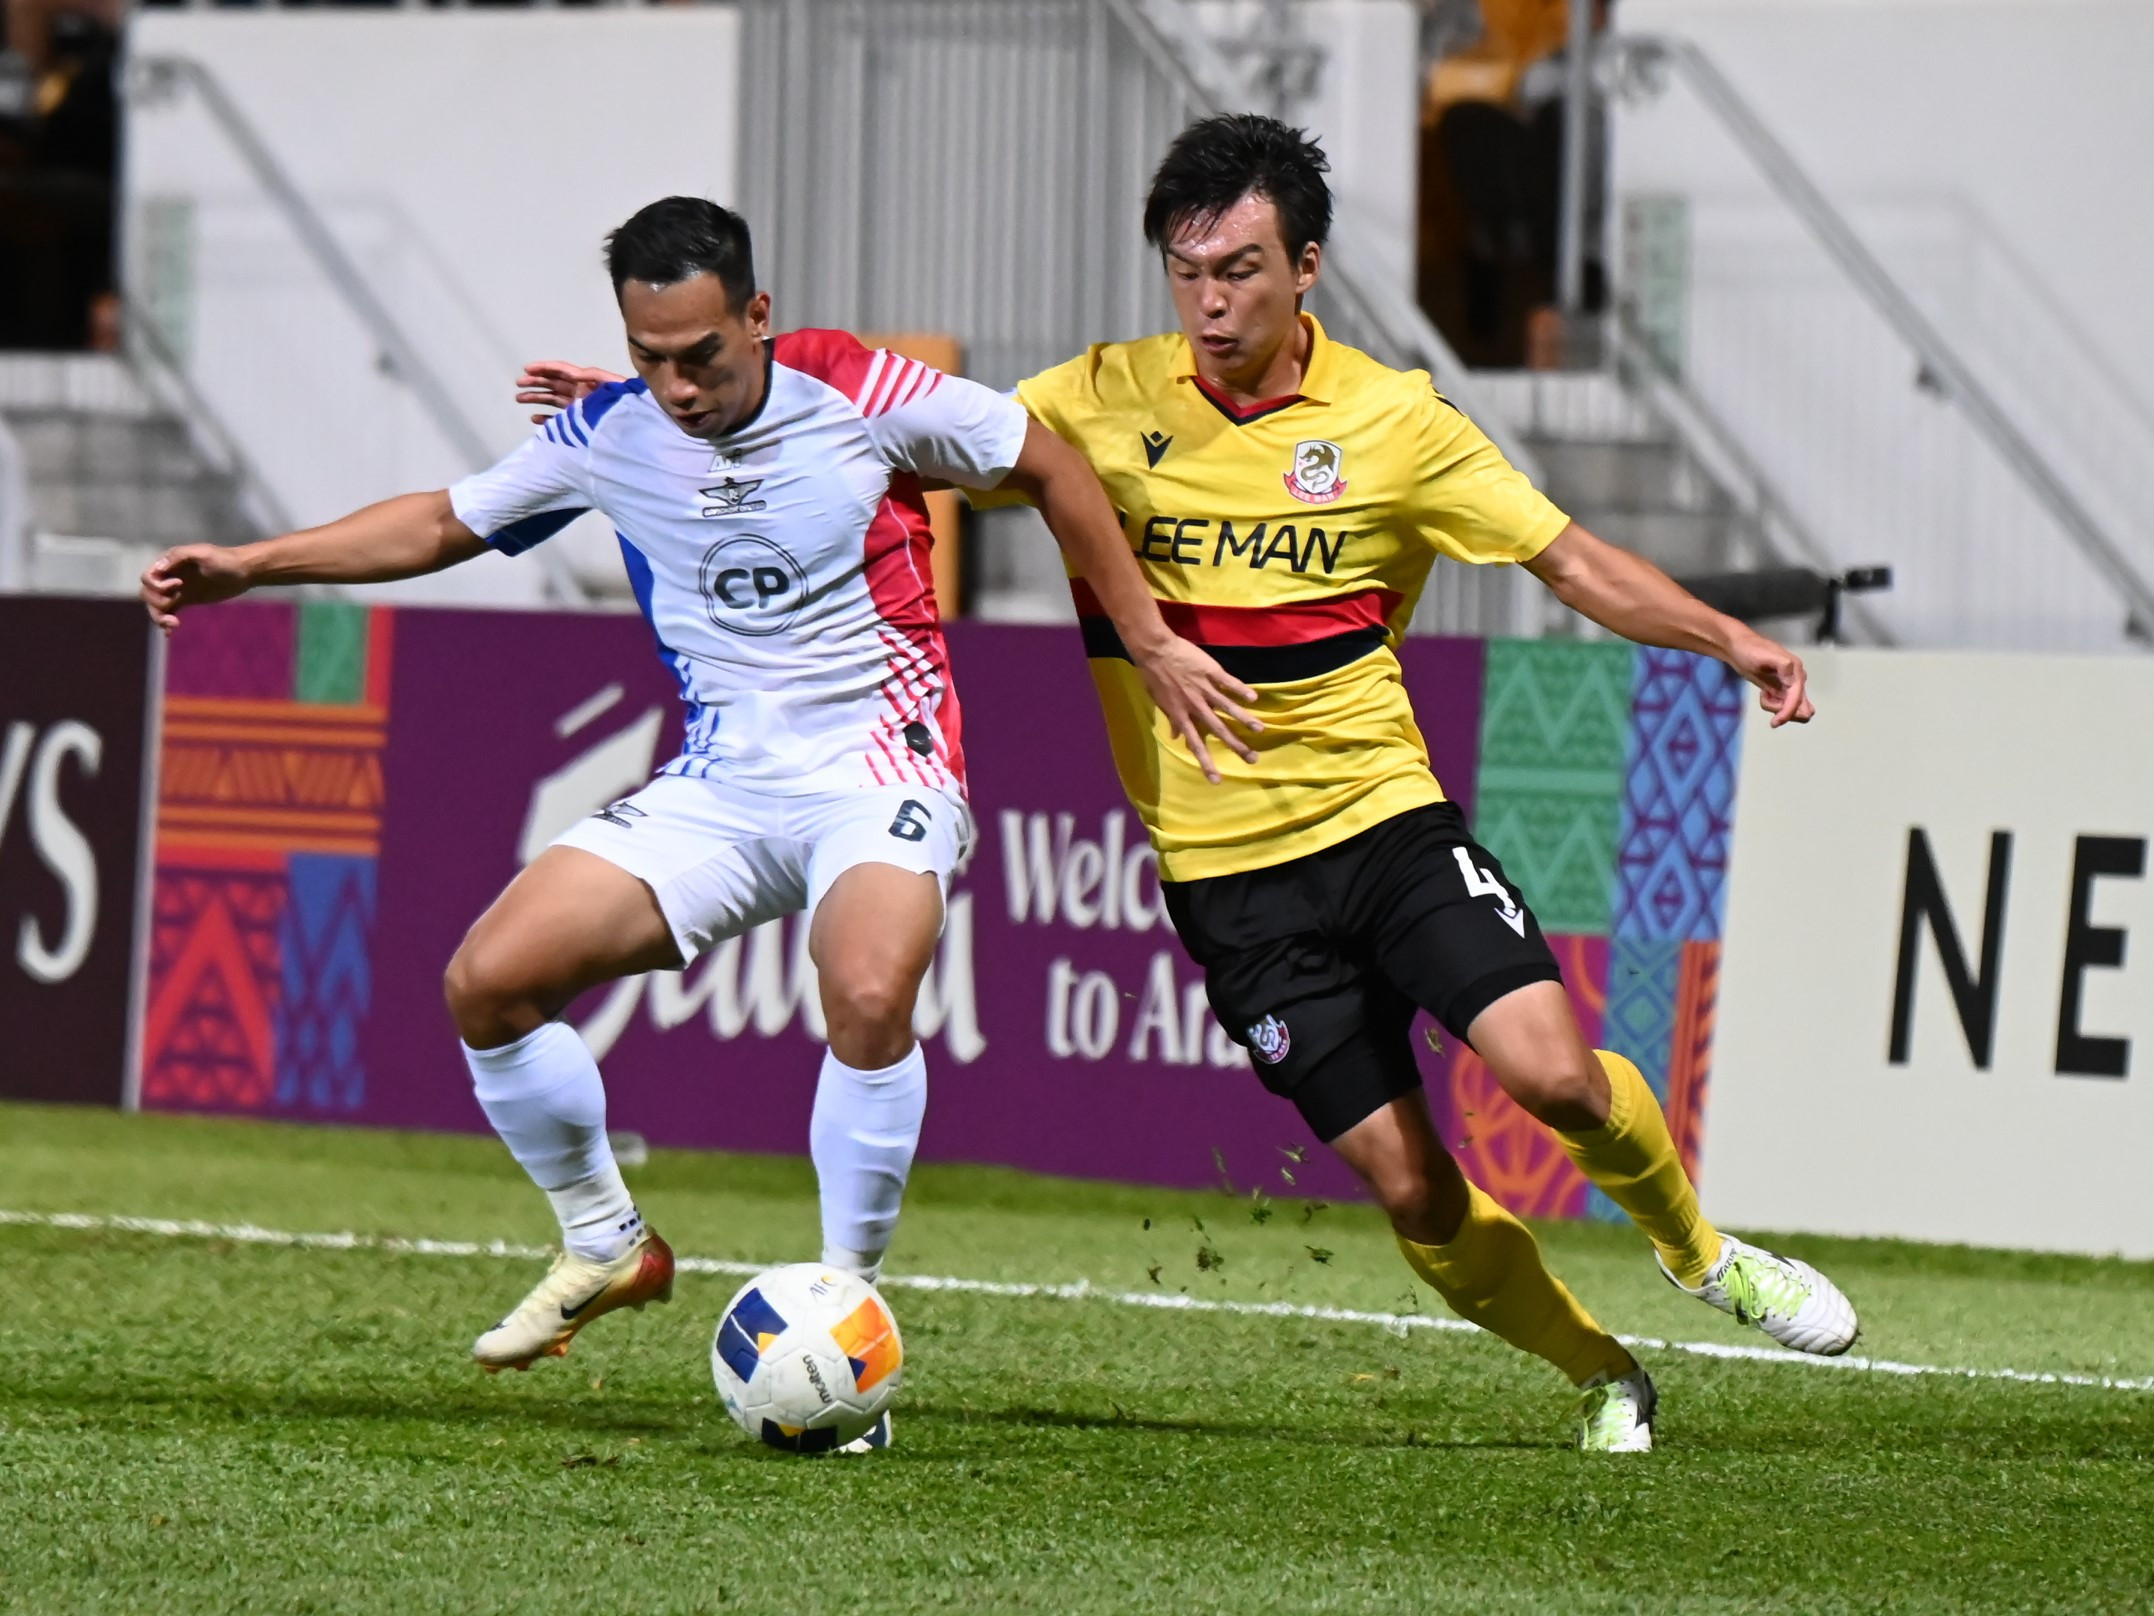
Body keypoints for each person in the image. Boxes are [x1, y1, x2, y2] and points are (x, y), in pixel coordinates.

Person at [515, 124, 1858, 1454]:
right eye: (1187, 272)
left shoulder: (1396, 422)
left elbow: (1570, 561)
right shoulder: (1097, 397)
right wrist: (666, 417)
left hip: (1384, 824)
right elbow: (868, 431)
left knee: (1553, 1076)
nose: (1210, 304)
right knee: (1409, 1186)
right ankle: (1603, 1372)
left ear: (1307, 267)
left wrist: (1725, 639)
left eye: (1241, 271)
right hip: (1229, 884)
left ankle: (1703, 1255)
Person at [139, 197, 1256, 1450]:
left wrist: (1148, 636)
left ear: (757, 316)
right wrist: (252, 564)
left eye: (702, 357)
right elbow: (444, 520)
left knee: (867, 988)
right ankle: (606, 1240)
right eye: (650, 357)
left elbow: (1048, 462)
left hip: (880, 765)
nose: (676, 387)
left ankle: (846, 1309)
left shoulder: (858, 389)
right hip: (721, 786)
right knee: (487, 981)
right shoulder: (615, 432)